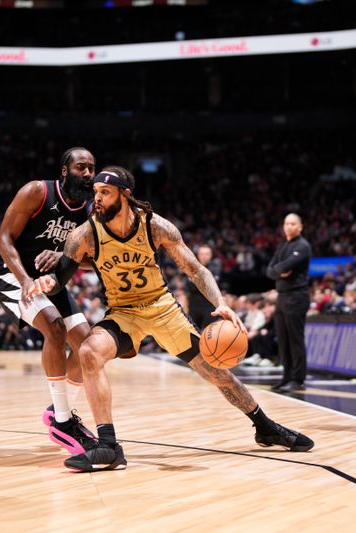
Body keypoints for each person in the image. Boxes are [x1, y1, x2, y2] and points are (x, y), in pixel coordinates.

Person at [28, 166, 314, 472]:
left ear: (125, 194)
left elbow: (196, 270)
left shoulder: (155, 226)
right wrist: (48, 283)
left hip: (162, 308)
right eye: (95, 192)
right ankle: (108, 447)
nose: (96, 198)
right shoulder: (84, 234)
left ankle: (265, 426)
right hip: (124, 314)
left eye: (104, 193)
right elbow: (61, 277)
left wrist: (221, 304)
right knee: (88, 351)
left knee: (215, 371)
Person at [0, 147, 96, 455]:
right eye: (80, 167)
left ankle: (60, 412)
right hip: (10, 274)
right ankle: (63, 423)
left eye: (91, 168)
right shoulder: (37, 192)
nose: (87, 173)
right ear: (65, 171)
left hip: (50, 281)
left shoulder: (88, 212)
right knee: (54, 327)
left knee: (87, 346)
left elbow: (90, 259)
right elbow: (4, 239)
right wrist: (24, 281)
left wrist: (65, 255)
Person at [266, 213, 312, 392]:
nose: (289, 226)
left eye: (293, 224)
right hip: (282, 296)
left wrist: (279, 269)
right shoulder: (283, 245)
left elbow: (281, 266)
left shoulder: (303, 246)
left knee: (295, 339)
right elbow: (270, 270)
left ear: (300, 227)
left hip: (297, 296)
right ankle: (286, 377)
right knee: (283, 340)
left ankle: (297, 379)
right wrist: (279, 271)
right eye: (286, 223)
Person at [185, 244, 220, 330]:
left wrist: (195, 281)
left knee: (209, 333)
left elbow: (210, 286)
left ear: (211, 255)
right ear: (198, 255)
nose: (204, 256)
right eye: (202, 254)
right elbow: (188, 284)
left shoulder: (215, 268)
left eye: (207, 254)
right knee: (193, 331)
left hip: (210, 305)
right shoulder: (191, 266)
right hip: (194, 305)